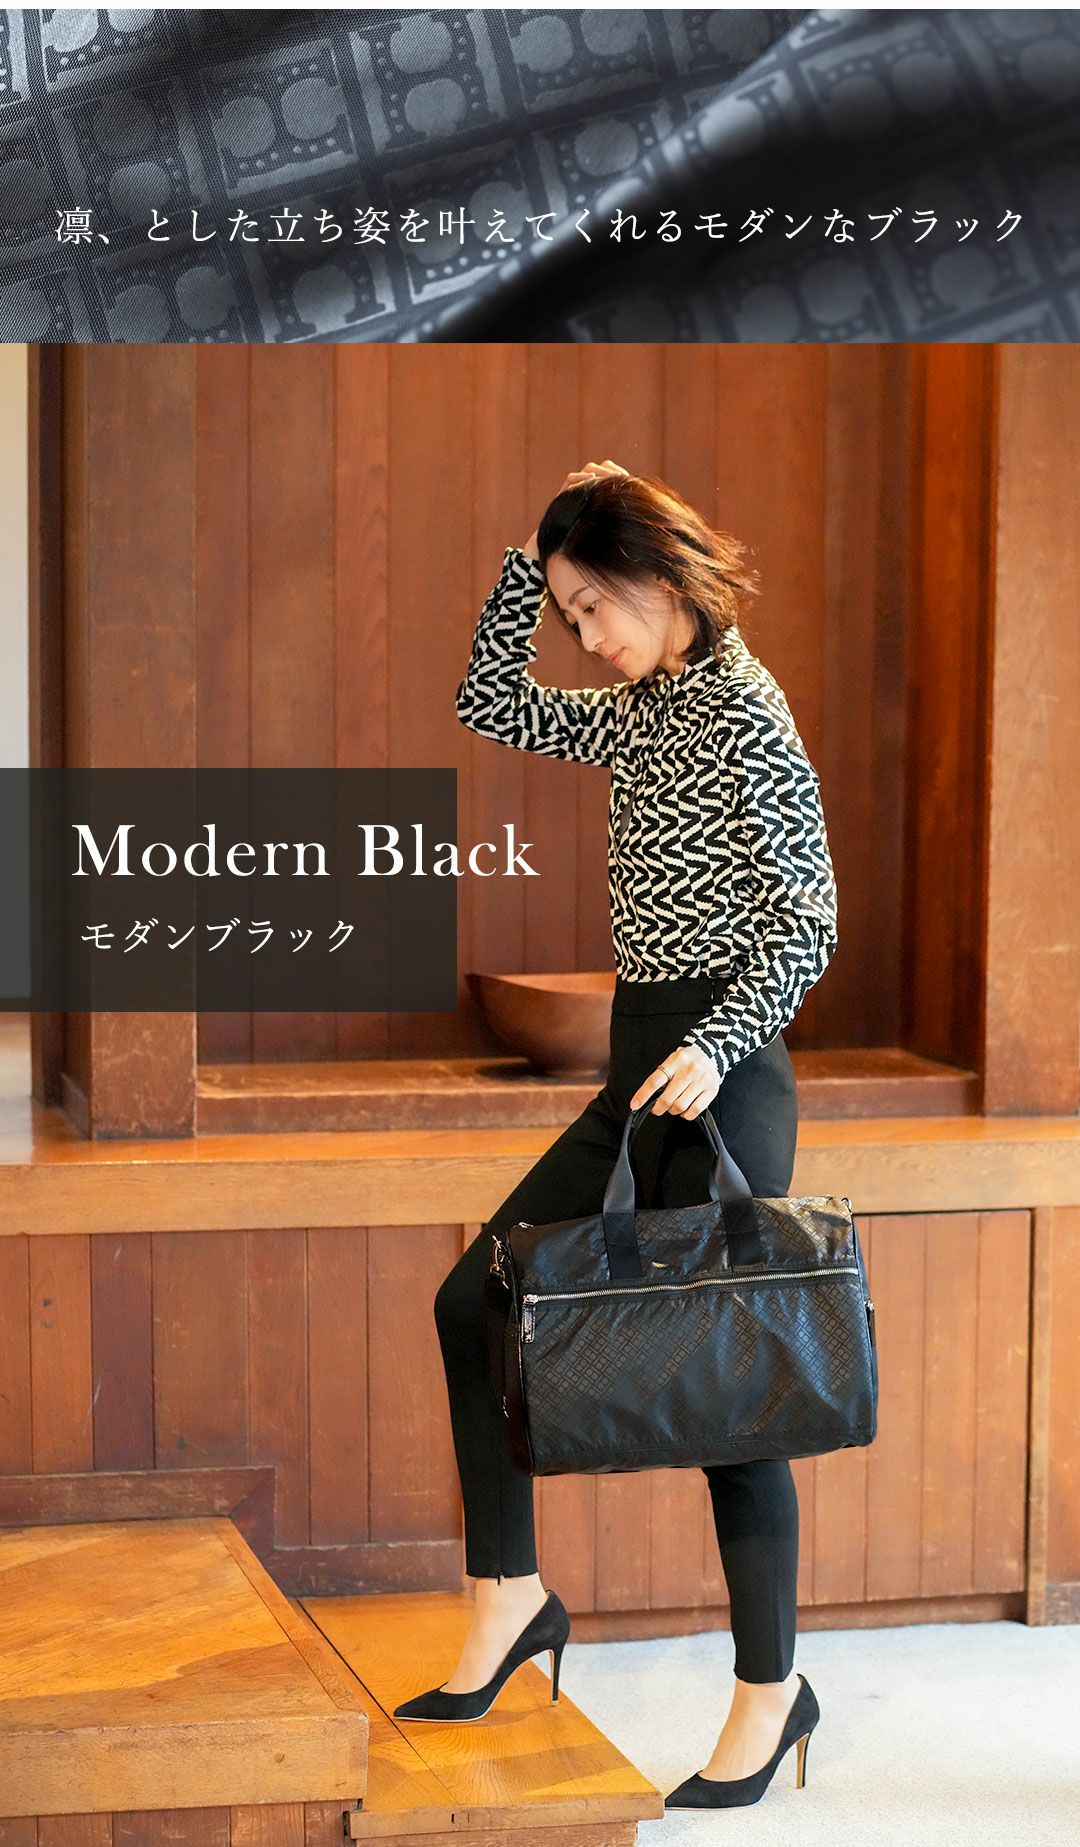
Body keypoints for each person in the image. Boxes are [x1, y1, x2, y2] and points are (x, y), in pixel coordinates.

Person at [393, 461, 838, 1810]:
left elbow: (809, 917)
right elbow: (490, 702)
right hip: (643, 1065)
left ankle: (770, 1694)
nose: (585, 639)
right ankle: (510, 1595)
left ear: (659, 575)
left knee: (730, 1395)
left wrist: (718, 1041)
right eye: (570, 614)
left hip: (721, 1075)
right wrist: (523, 565)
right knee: (477, 1299)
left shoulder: (745, 707)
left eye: (595, 607)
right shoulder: (642, 710)